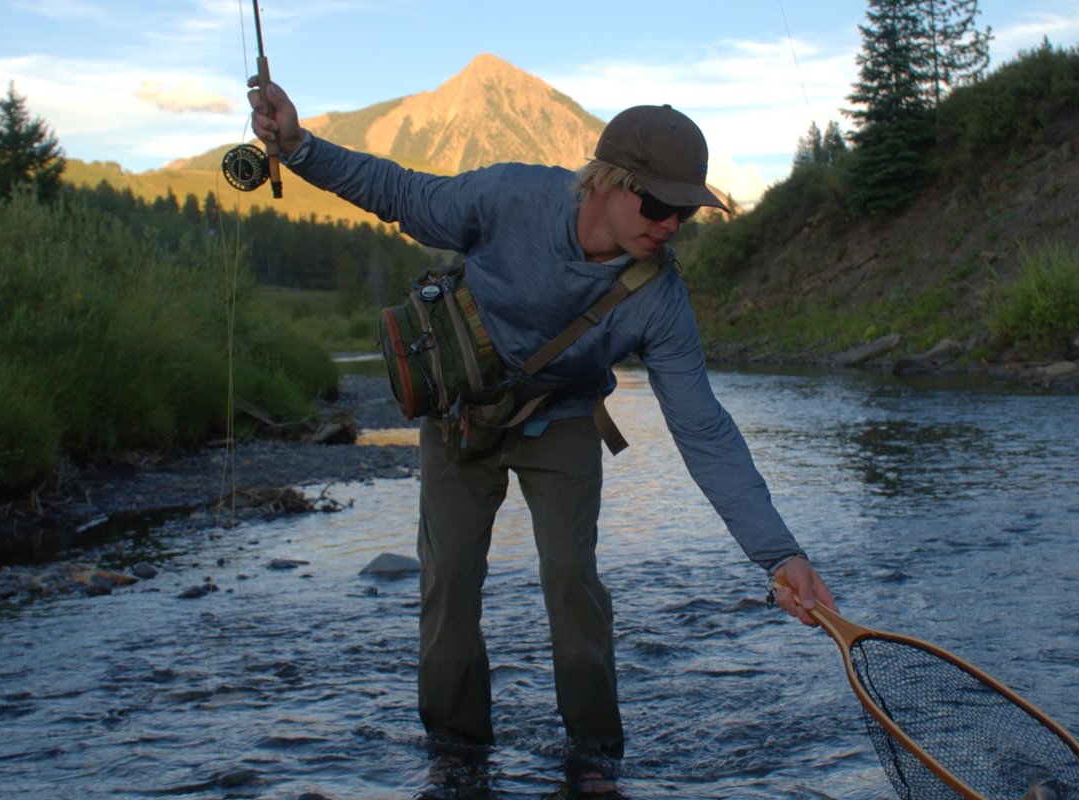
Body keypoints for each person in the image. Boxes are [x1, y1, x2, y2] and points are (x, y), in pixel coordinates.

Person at [247, 79, 837, 762]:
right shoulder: (510, 198)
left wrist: (780, 554)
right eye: (658, 204)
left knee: (570, 578)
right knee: (449, 583)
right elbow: (400, 194)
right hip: (460, 415)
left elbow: (703, 430)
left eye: (687, 211)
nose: (672, 223)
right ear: (607, 183)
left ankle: (595, 756)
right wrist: (296, 147)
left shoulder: (661, 299)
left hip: (562, 422)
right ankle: (456, 756)